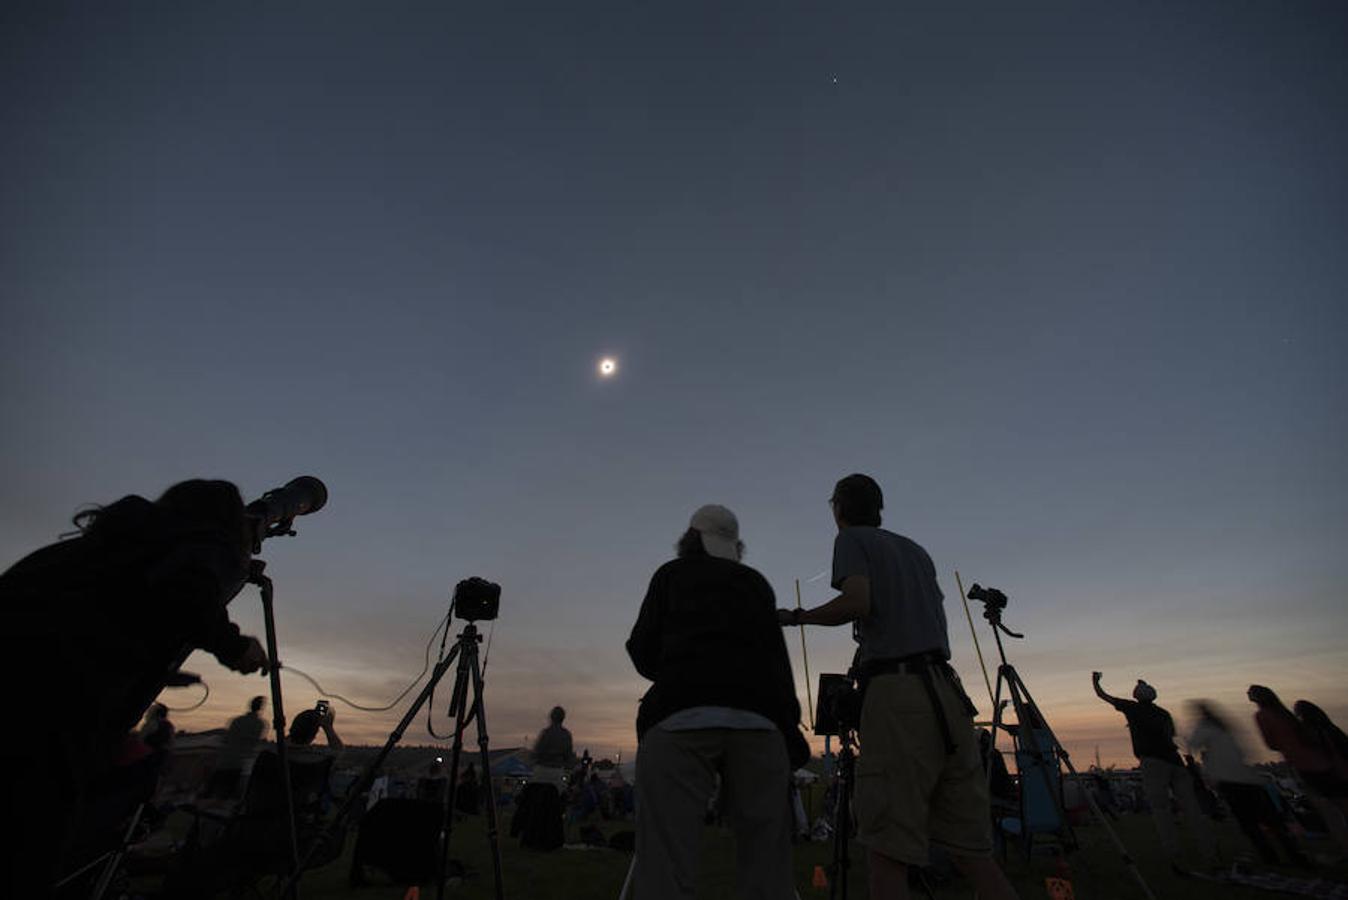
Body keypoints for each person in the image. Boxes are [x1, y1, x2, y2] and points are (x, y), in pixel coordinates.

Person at [0, 479, 269, 897]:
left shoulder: (98, 552)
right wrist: (234, 646)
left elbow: (120, 617)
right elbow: (188, 591)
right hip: (48, 720)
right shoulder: (202, 551)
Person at [783, 475, 1017, 900]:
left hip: (899, 696)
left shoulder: (851, 539)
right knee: (973, 853)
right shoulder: (916, 551)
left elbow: (858, 602)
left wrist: (797, 617)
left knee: (887, 851)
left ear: (839, 509)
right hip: (948, 697)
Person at [628, 504, 809, 900]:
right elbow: (777, 665)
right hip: (759, 725)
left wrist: (680, 671)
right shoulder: (756, 584)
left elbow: (641, 648)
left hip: (680, 720)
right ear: (734, 546)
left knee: (666, 862)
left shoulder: (671, 575)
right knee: (767, 867)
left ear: (690, 538)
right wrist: (790, 729)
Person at [1093, 673, 1217, 870]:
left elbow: (1104, 696)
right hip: (1175, 761)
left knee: (1161, 809)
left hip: (1153, 762)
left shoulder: (1132, 709)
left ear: (1137, 696)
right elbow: (1172, 737)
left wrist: (1095, 682)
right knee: (1192, 808)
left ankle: (1173, 853)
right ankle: (1208, 851)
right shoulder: (1163, 714)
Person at [1187, 700, 1307, 866]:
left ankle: (1270, 857)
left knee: (1249, 823)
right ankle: (1294, 854)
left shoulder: (1206, 728)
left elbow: (1191, 744)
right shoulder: (1226, 728)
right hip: (1248, 778)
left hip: (1230, 781)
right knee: (1272, 820)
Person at [1250, 686, 1348, 853]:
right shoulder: (1286, 714)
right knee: (1342, 805)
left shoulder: (1263, 715)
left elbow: (1271, 744)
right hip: (1325, 765)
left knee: (1328, 811)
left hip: (1304, 767)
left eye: (1250, 692)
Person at [204, 696, 267, 800]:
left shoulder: (237, 721)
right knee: (226, 794)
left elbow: (227, 739)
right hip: (238, 763)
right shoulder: (259, 724)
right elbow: (253, 742)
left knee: (213, 791)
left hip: (227, 760)